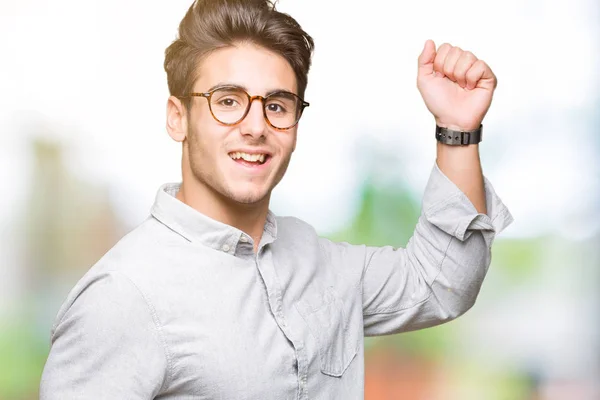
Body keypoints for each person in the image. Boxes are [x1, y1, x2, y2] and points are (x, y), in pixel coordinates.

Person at [39, 0, 513, 398]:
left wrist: (458, 130)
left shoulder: (319, 262)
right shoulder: (122, 298)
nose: (255, 125)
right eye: (227, 100)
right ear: (177, 118)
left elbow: (440, 285)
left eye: (277, 105)